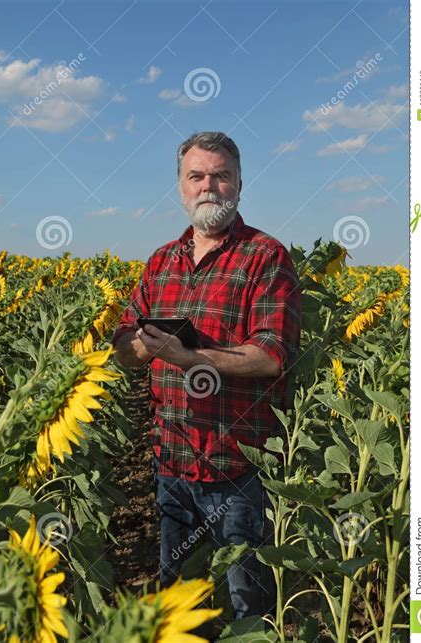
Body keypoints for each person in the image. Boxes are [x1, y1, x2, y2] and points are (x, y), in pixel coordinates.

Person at [111, 131, 300, 621]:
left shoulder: (265, 256)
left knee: (246, 606)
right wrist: (135, 347)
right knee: (180, 604)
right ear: (180, 186)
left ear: (240, 183)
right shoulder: (160, 262)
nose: (209, 186)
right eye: (196, 176)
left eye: (221, 176)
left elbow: (271, 355)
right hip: (171, 461)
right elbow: (123, 345)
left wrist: (188, 357)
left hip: (235, 467)